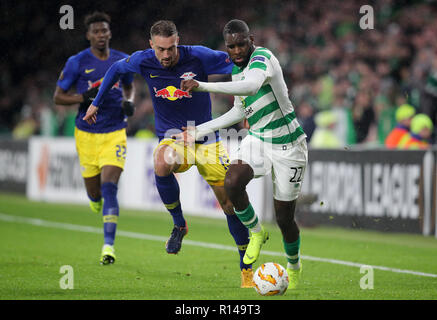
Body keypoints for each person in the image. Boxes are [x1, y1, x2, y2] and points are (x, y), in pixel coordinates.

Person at [83, 20, 255, 288]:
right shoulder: (143, 61)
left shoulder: (199, 55)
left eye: (171, 48)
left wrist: (248, 106)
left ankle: (246, 267)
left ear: (178, 41)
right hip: (173, 137)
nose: (166, 55)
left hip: (207, 138)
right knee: (161, 162)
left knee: (229, 205)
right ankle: (179, 225)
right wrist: (96, 103)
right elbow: (116, 69)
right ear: (151, 45)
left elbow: (241, 64)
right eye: (161, 49)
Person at [179, 19, 308, 289]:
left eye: (241, 44)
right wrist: (198, 130)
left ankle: (293, 266)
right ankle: (256, 232)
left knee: (284, 218)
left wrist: (202, 85)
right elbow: (240, 111)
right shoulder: (237, 71)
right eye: (231, 46)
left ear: (252, 39)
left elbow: (251, 87)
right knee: (232, 181)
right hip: (259, 139)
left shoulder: (263, 58)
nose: (236, 51)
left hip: (289, 146)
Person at [53, 12, 135, 265]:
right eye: (96, 32)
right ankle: (94, 199)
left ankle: (108, 247)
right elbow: (58, 97)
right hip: (86, 134)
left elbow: (130, 86)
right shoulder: (77, 62)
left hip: (114, 132)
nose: (101, 35)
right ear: (88, 35)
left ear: (110, 33)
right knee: (95, 193)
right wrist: (83, 98)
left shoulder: (122, 60)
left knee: (110, 187)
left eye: (104, 31)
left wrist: (128, 101)